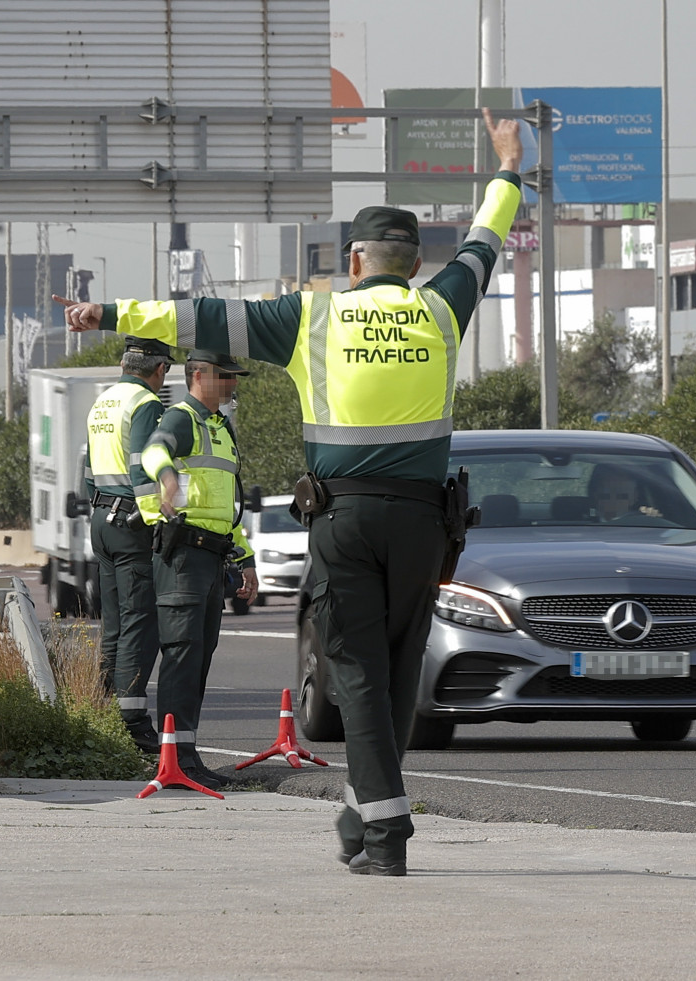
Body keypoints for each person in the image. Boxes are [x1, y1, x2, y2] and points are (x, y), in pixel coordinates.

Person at [55, 107, 523, 871]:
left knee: (357, 668)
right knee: (400, 668)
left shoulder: (311, 318)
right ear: (411, 263)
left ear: (356, 259)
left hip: (344, 521)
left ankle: (385, 830)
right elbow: (485, 239)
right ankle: (361, 812)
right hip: (423, 523)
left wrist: (103, 313)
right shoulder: (444, 309)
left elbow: (197, 314)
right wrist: (506, 165)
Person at [137, 350, 258, 790]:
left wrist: (245, 559)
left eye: (235, 377)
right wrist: (168, 479)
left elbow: (226, 508)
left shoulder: (219, 428)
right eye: (225, 377)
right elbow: (153, 450)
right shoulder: (183, 418)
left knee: (198, 658)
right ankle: (174, 762)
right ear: (198, 375)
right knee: (183, 655)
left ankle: (185, 757)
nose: (232, 385)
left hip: (212, 555)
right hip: (184, 555)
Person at [84, 335, 174, 754]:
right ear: (159, 370)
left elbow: (87, 471)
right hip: (130, 520)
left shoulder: (102, 402)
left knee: (115, 622)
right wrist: (159, 519)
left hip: (101, 518)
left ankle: (101, 710)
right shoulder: (146, 404)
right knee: (140, 620)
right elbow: (142, 465)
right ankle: (132, 722)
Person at [588, 464, 662, 522]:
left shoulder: (647, 524)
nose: (614, 497)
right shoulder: (581, 524)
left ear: (634, 496)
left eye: (621, 493)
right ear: (595, 493)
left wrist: (652, 518)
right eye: (607, 491)